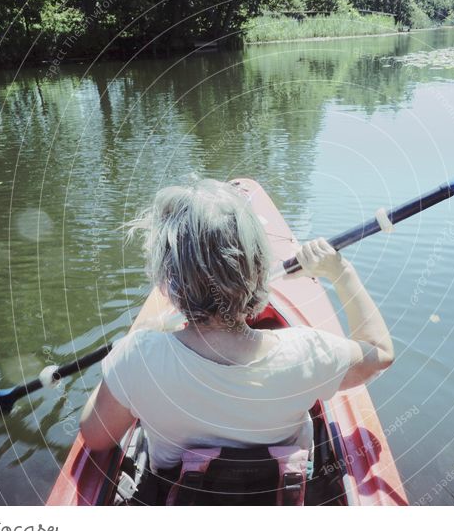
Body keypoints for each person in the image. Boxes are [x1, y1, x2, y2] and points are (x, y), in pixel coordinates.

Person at [79, 179, 394, 473]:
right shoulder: (308, 351)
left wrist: (130, 343)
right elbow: (380, 353)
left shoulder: (138, 357)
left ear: (168, 280)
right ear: (259, 270)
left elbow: (95, 438)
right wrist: (341, 272)